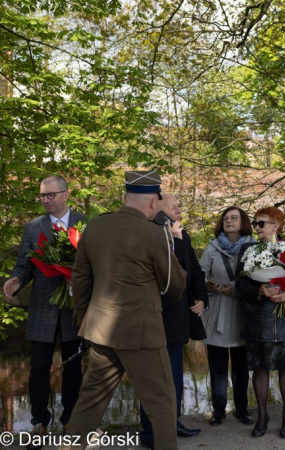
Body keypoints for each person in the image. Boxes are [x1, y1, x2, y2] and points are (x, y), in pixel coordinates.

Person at [62, 170, 187, 450]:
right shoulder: (154, 234)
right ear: (154, 203)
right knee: (162, 404)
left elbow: (80, 279)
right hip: (142, 335)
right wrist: (173, 244)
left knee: (89, 403)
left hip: (99, 332)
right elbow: (174, 283)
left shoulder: (95, 227)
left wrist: (86, 322)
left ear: (124, 197)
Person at [2, 175, 85, 448]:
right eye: (42, 196)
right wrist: (17, 279)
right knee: (39, 367)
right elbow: (24, 265)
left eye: (51, 195)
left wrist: (82, 279)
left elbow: (96, 262)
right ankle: (39, 422)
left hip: (75, 308)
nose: (46, 200)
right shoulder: (32, 228)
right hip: (43, 306)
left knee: (74, 365)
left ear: (66, 194)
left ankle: (70, 419)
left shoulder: (85, 224)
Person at [138, 193, 208, 449]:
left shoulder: (182, 234)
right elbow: (167, 274)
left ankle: (173, 423)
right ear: (158, 209)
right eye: (174, 206)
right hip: (155, 318)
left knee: (175, 377)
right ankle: (149, 432)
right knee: (154, 379)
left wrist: (201, 298)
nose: (179, 209)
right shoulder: (149, 233)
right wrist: (174, 243)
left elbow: (195, 270)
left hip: (178, 319)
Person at [236, 207, 285, 439]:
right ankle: (262, 415)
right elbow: (239, 283)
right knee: (259, 367)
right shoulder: (248, 249)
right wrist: (259, 288)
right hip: (256, 317)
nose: (256, 228)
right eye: (256, 224)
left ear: (276, 226)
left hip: (284, 317)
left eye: (261, 224)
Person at [200, 206, 256, 426]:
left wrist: (234, 288)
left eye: (234, 218)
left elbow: (256, 277)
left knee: (241, 368)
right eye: (226, 218)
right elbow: (200, 274)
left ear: (243, 222)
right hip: (218, 313)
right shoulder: (212, 247)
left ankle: (242, 409)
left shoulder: (253, 245)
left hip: (243, 312)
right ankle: (219, 410)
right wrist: (208, 286)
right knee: (218, 367)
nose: (229, 221)